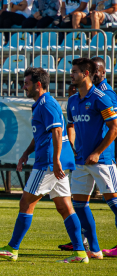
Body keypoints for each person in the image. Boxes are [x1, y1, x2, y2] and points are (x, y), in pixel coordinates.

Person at [0, 67, 88, 264]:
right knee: (65, 206)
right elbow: (42, 135)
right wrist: (26, 153)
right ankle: (80, 253)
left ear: (38, 85)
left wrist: (55, 160)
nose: (24, 87)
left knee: (26, 202)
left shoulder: (47, 105)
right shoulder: (42, 104)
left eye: (26, 83)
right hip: (54, 161)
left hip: (48, 163)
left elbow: (57, 132)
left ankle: (12, 249)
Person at [57, 56, 117, 253]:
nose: (71, 75)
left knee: (114, 203)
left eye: (75, 72)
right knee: (79, 205)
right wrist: (74, 146)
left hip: (102, 161)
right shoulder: (73, 100)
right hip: (81, 161)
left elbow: (114, 128)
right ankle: (94, 250)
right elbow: (71, 126)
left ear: (86, 74)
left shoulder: (101, 97)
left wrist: (98, 152)